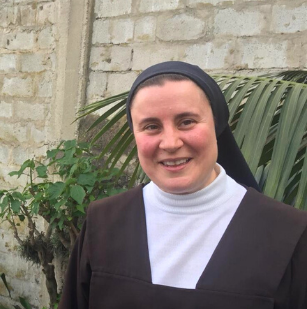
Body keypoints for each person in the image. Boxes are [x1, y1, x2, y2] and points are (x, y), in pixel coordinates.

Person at [59, 61, 307, 309]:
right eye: (151, 126)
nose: (170, 143)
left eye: (186, 121)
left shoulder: (287, 234)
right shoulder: (103, 223)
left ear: (217, 125)